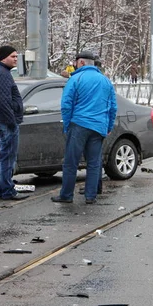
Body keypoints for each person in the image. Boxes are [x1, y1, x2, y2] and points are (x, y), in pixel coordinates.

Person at [51, 51, 117, 204]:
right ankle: (90, 196)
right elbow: (113, 106)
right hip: (98, 127)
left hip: (79, 124)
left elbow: (66, 104)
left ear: (80, 62)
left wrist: (68, 125)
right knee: (94, 162)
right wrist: (108, 125)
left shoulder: (76, 79)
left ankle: (66, 195)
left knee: (71, 162)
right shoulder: (105, 81)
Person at [0, 45, 29, 201]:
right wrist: (12, 121)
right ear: (3, 57)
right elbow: (3, 101)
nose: (16, 59)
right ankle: (7, 190)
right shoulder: (2, 74)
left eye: (17, 56)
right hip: (5, 122)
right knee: (6, 157)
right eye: (13, 56)